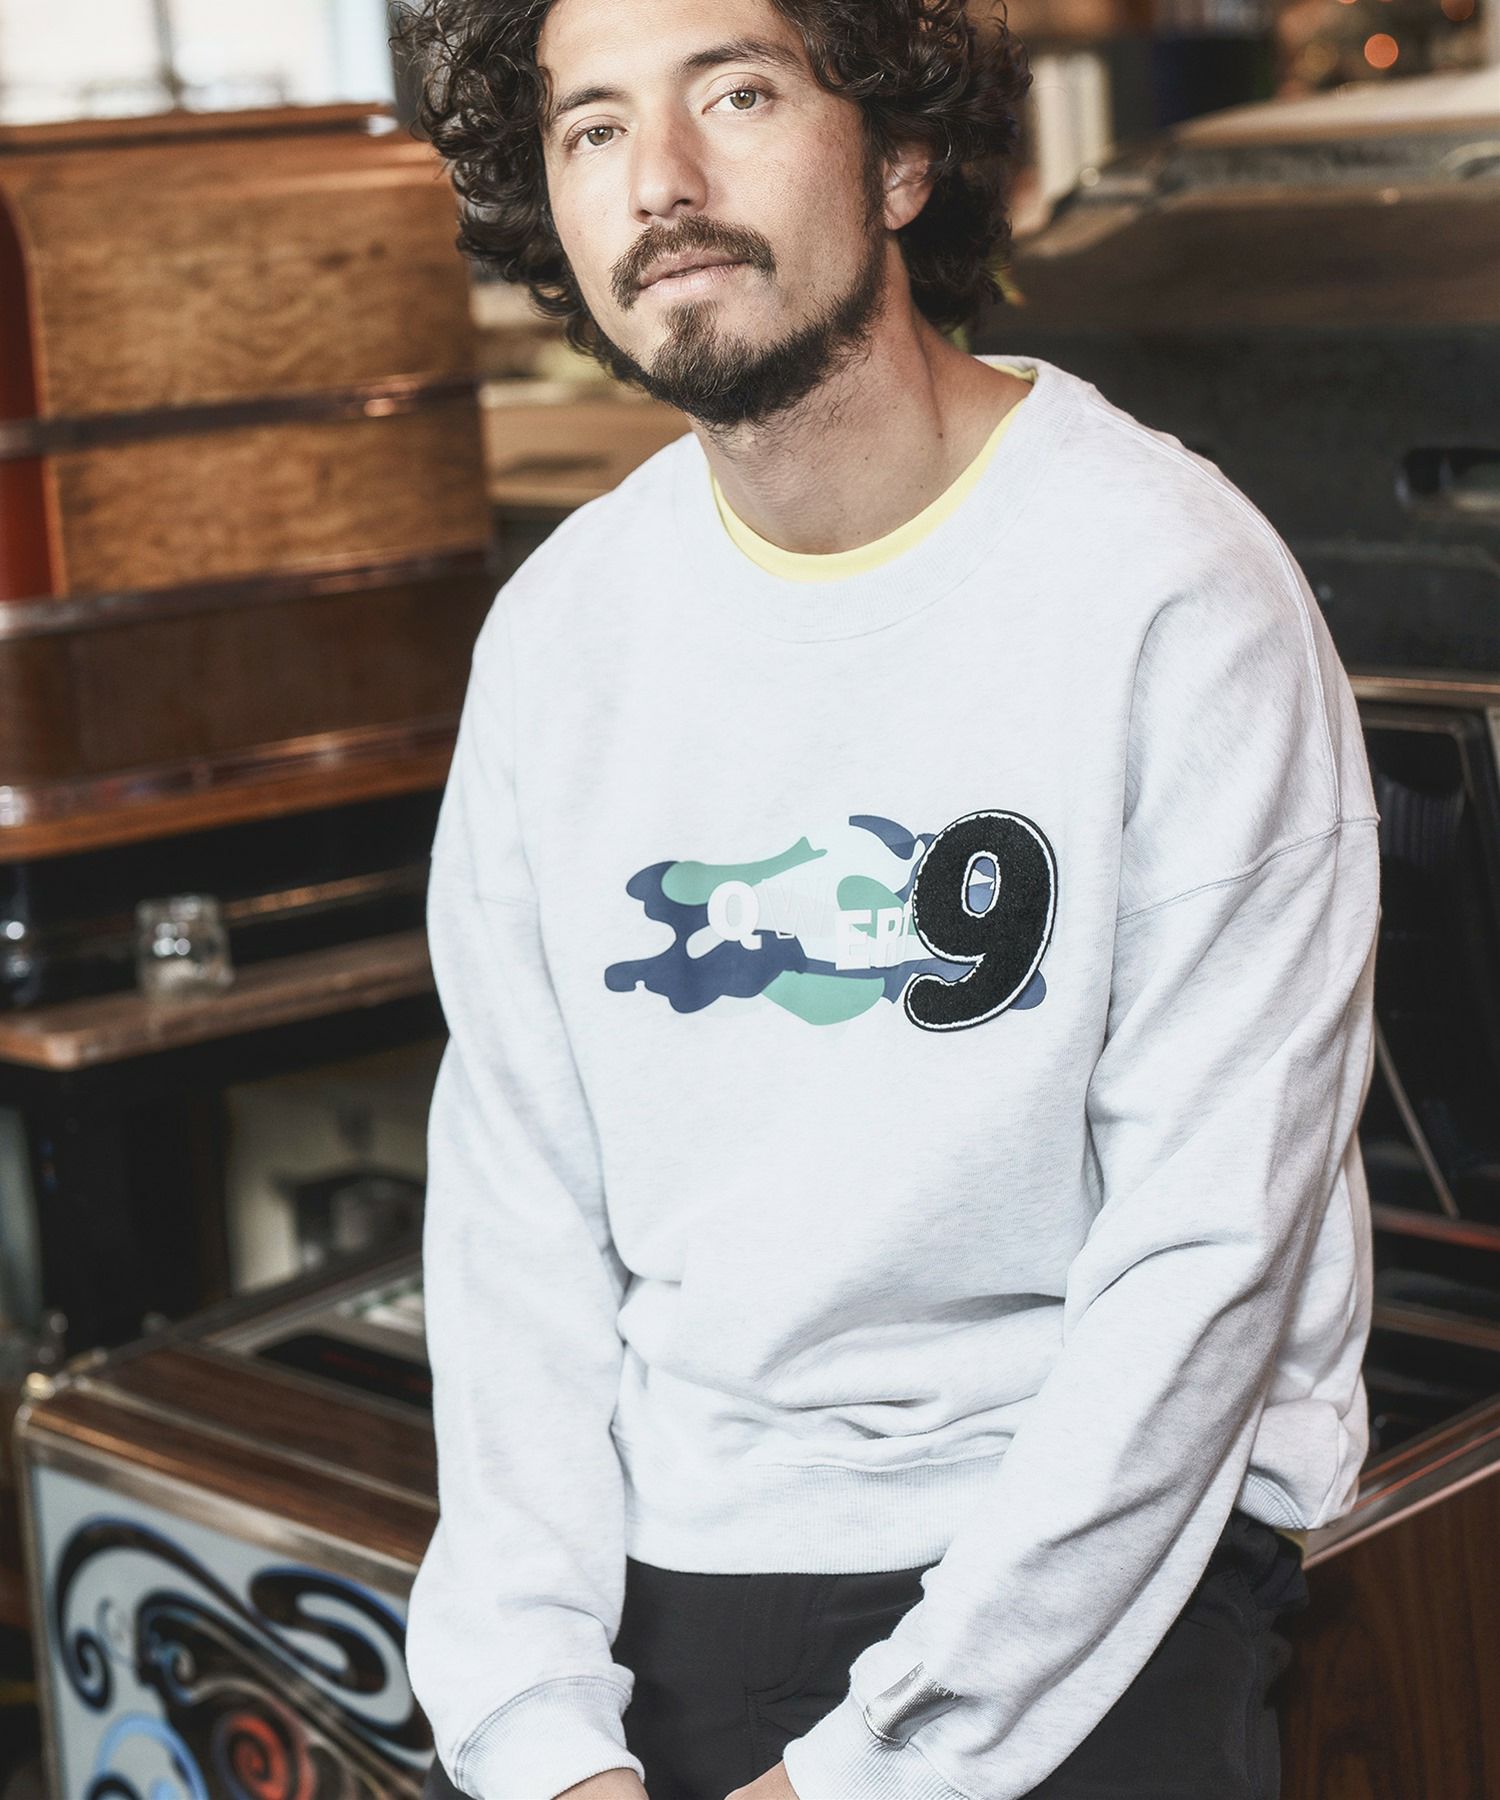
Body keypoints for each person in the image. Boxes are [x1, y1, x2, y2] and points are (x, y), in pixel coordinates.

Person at [394, 1, 1381, 1796]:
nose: (660, 182)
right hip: (692, 1558)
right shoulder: (559, 639)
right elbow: (516, 1226)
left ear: (905, 158)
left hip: (1095, 1565)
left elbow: (1205, 1267)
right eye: (592, 128)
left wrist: (860, 1771)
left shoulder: (1174, 593)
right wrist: (538, 1730)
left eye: (737, 92)